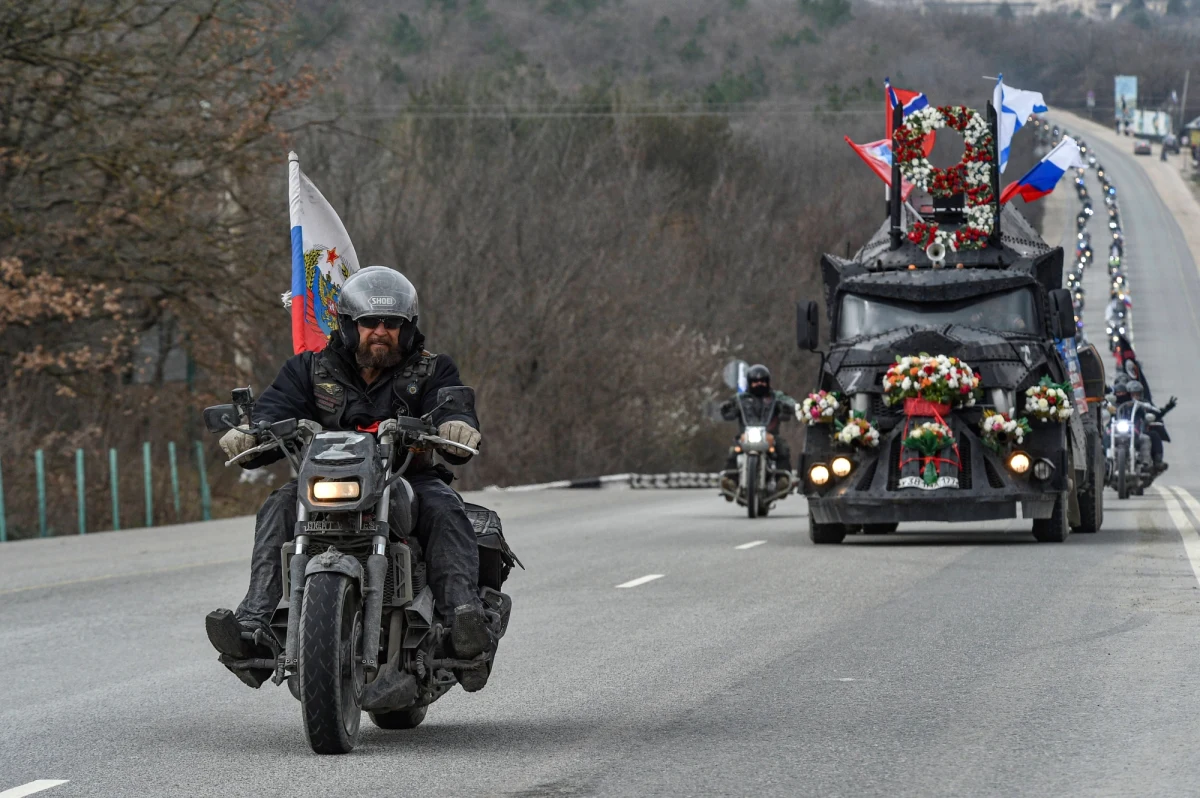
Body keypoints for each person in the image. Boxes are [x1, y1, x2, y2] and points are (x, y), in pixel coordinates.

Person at [205, 266, 494, 691]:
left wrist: (456, 425)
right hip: (325, 482)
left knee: (445, 507)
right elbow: (273, 409)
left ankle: (458, 625)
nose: (381, 331)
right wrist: (250, 431)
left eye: (392, 323)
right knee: (277, 505)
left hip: (405, 478)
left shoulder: (432, 370)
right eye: (369, 322)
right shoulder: (309, 369)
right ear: (347, 325)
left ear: (408, 328)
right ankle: (254, 625)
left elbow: (453, 409)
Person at [719, 365, 797, 486]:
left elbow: (790, 402)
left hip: (770, 435)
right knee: (734, 450)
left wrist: (789, 407)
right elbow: (729, 408)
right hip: (746, 435)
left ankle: (783, 480)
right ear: (750, 382)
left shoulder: (776, 396)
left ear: (768, 382)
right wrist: (726, 407)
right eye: (755, 381)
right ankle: (730, 480)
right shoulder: (741, 398)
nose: (759, 384)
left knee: (782, 448)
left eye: (762, 381)